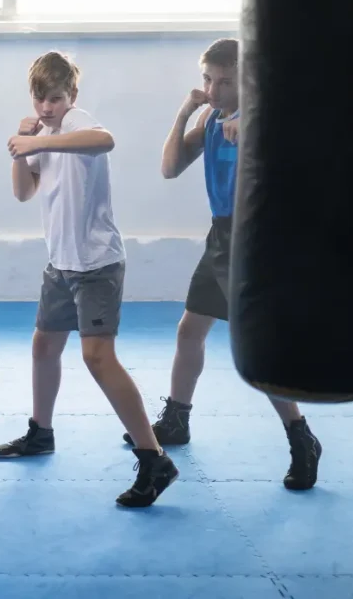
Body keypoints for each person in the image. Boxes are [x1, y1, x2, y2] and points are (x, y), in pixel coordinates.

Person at [124, 38, 322, 491]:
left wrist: (251, 131)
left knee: (258, 348)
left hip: (256, 242)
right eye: (207, 80)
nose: (213, 90)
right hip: (221, 236)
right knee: (189, 330)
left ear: (246, 81)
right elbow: (170, 168)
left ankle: (302, 438)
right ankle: (176, 418)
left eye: (225, 81)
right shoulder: (212, 119)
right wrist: (183, 115)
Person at [0, 51, 179, 508]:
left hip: (97, 264)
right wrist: (22, 145)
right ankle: (41, 433)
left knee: (97, 357)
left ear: (71, 96)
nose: (47, 107)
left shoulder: (78, 122)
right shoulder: (44, 132)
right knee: (44, 346)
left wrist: (41, 144)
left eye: (55, 98)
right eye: (40, 99)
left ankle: (154, 459)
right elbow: (22, 192)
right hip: (60, 264)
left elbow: (105, 140)